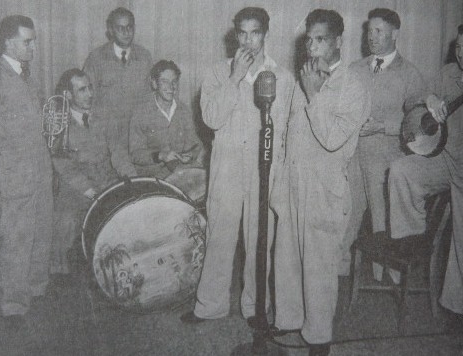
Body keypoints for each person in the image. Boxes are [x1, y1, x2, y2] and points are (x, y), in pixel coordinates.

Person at [180, 7, 294, 323]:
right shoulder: (218, 72)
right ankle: (210, 305)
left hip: (264, 170)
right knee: (220, 236)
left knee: (261, 241)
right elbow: (212, 118)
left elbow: (285, 129)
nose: (248, 41)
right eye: (242, 33)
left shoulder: (282, 77)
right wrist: (235, 78)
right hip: (227, 167)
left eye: (254, 32)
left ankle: (255, 307)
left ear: (265, 34)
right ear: (235, 36)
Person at [270, 9, 371, 356]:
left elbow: (332, 138)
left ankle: (318, 337)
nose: (311, 47)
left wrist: (315, 94)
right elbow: (287, 132)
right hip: (294, 180)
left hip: (325, 186)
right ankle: (288, 320)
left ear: (339, 42)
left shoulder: (353, 86)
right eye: (308, 39)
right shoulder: (305, 76)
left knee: (318, 265)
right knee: (287, 257)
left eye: (320, 39)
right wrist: (279, 182)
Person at [389, 23, 463, 323]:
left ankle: (456, 307)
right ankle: (411, 242)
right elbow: (416, 96)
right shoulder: (448, 73)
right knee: (401, 169)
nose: (461, 53)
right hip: (443, 158)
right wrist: (429, 100)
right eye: (458, 47)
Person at [346, 8, 426, 282]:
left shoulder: (410, 74)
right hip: (353, 158)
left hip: (385, 160)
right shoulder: (354, 70)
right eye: (369, 31)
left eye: (378, 31)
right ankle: (337, 275)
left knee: (384, 225)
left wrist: (385, 127)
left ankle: (388, 283)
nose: (372, 37)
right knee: (345, 217)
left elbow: (418, 124)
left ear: (395, 34)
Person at [0, 15, 54, 331]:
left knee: (41, 229)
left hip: (39, 168)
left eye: (33, 41)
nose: (33, 47)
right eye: (27, 41)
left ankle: (35, 289)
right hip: (13, 172)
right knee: (15, 237)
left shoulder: (26, 76)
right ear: (8, 42)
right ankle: (13, 306)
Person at [50, 68, 137, 274]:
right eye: (82, 90)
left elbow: (118, 152)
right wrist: (90, 191)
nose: (90, 94)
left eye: (90, 88)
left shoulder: (104, 116)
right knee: (66, 224)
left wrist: (133, 178)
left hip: (106, 181)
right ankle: (62, 276)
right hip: (76, 190)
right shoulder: (58, 122)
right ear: (68, 95)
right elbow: (63, 166)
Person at [83, 7, 152, 167]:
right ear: (110, 30)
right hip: (106, 137)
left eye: (130, 27)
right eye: (121, 28)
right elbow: (85, 99)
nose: (126, 32)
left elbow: (151, 98)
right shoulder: (96, 58)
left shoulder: (145, 57)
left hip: (136, 136)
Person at [129, 60, 204, 179]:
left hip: (180, 172)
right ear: (154, 84)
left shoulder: (184, 111)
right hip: (153, 177)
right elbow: (135, 154)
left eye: (174, 82)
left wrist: (191, 155)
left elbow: (195, 144)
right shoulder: (141, 113)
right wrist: (160, 156)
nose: (171, 87)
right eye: (165, 81)